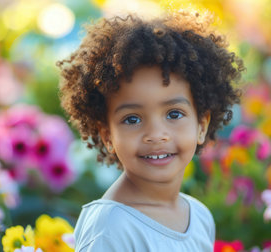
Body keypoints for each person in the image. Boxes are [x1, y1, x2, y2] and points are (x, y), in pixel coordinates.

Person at [57, 9, 244, 252]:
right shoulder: (111, 228)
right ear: (107, 136)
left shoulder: (199, 216)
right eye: (133, 119)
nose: (156, 134)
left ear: (201, 125)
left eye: (174, 114)